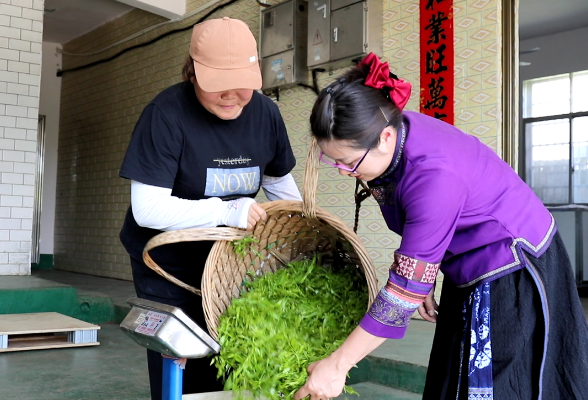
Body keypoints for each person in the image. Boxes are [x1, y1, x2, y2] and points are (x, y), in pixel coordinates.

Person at [293, 53, 588, 400]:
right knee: (453, 372)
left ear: (384, 138)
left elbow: (403, 292)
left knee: (496, 383)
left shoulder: (434, 175)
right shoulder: (394, 131)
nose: (344, 171)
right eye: (334, 161)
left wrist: (337, 365)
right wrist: (426, 271)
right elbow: (425, 236)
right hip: (469, 257)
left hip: (510, 266)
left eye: (347, 161)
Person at [118, 17, 302, 400]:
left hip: (232, 263)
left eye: (244, 85)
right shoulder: (166, 114)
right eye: (218, 85)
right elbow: (147, 209)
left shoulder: (266, 114)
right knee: (183, 367)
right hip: (167, 265)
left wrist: (300, 233)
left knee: (238, 359)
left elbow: (280, 186)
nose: (232, 95)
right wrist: (225, 211)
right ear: (194, 72)